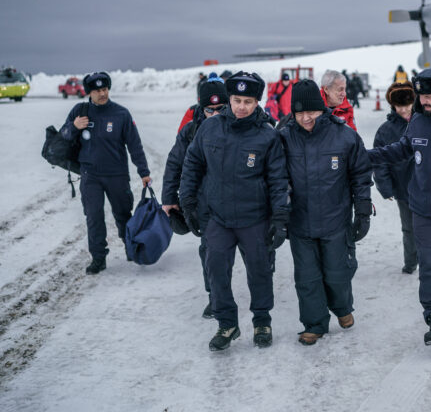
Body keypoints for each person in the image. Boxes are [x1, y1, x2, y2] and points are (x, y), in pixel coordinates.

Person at [179, 71, 291, 351]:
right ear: (229, 99)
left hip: (254, 219)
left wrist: (279, 217)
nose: (241, 106)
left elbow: (278, 180)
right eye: (237, 100)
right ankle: (226, 324)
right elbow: (192, 164)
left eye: (248, 101)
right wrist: (188, 203)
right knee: (215, 270)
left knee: (260, 271)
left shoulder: (268, 135)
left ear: (257, 103)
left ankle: (262, 321)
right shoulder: (210, 128)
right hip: (218, 217)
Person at [368, 68, 431, 346]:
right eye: (421, 95)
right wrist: (366, 156)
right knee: (429, 264)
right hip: (423, 206)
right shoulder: (417, 120)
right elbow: (402, 148)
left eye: (429, 95)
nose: (423, 100)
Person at [278, 79, 373, 346]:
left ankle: (342, 308)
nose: (305, 118)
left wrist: (363, 211)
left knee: (337, 273)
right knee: (307, 278)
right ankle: (314, 323)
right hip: (300, 223)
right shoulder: (284, 138)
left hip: (335, 221)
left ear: (322, 109)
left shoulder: (345, 136)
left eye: (311, 111)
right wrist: (279, 217)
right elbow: (277, 180)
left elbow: (361, 176)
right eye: (299, 113)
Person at [59, 72, 151, 275]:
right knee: (93, 217)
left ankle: (130, 248)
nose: (102, 93)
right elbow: (63, 136)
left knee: (123, 215)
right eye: (97, 91)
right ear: (89, 92)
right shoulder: (80, 111)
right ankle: (98, 258)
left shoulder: (121, 114)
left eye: (104, 89)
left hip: (117, 174)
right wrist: (74, 127)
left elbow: (134, 145)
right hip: (90, 175)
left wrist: (143, 171)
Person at [161, 77, 227, 318]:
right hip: (205, 203)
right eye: (210, 110)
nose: (216, 114)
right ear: (201, 108)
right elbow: (174, 163)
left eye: (221, 109)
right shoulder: (190, 132)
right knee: (210, 252)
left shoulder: (243, 126)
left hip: (241, 202)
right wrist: (169, 197)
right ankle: (215, 297)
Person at [372, 82, 418, 274]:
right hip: (403, 187)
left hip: (430, 185)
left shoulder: (423, 122)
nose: (405, 111)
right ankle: (411, 262)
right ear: (393, 106)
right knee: (409, 228)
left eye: (408, 106)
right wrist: (386, 187)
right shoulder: (385, 130)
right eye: (400, 107)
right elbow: (379, 161)